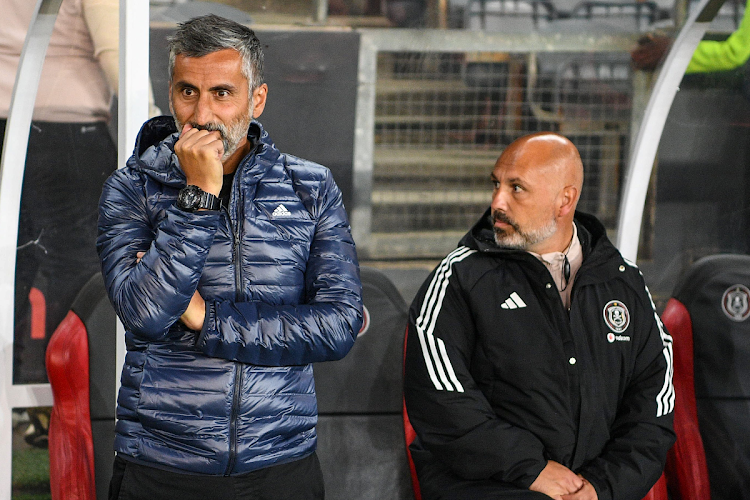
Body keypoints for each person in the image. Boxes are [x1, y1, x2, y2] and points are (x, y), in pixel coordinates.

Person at [96, 15, 363, 499]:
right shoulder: (131, 188)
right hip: (162, 464)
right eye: (187, 92)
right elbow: (145, 313)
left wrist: (208, 318)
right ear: (171, 92)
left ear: (256, 99)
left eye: (222, 93)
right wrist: (200, 194)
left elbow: (338, 326)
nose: (201, 116)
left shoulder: (311, 187)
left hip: (281, 463)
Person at [403, 132, 675, 500]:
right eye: (496, 184)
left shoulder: (624, 283)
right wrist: (533, 469)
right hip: (489, 486)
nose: (497, 201)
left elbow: (653, 407)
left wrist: (601, 487)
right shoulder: (460, 277)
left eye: (517, 188)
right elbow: (440, 402)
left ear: (565, 200)